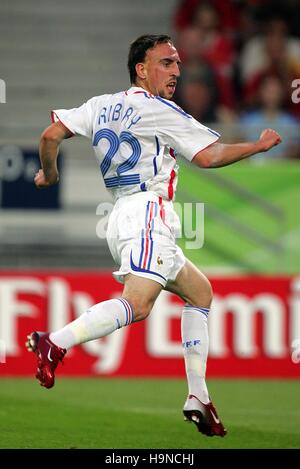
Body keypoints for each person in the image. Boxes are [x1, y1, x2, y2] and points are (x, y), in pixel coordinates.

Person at [26, 34, 281, 438]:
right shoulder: (160, 110)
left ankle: (198, 396)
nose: (176, 70)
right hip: (147, 212)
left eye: (177, 63)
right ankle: (53, 342)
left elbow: (49, 136)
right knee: (138, 305)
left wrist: (50, 174)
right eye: (166, 62)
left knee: (200, 292)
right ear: (141, 69)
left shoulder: (100, 105)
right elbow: (208, 156)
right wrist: (260, 145)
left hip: (122, 214)